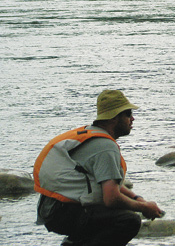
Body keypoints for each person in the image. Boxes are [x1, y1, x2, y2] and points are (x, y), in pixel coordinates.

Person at [34, 89, 164, 246]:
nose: (133, 118)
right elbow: (111, 198)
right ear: (114, 117)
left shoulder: (91, 135)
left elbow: (107, 182)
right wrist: (143, 208)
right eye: (128, 114)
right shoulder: (105, 147)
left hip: (51, 209)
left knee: (117, 215)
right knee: (129, 220)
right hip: (61, 213)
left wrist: (137, 198)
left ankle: (75, 242)